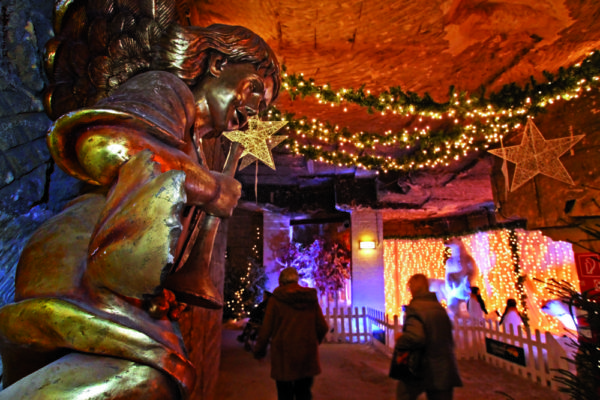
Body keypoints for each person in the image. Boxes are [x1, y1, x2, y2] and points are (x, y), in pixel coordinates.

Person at [0, 11, 281, 399]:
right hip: (78, 263)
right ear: (219, 64)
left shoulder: (199, 144)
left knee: (158, 381)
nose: (254, 110)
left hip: (112, 286)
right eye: (254, 89)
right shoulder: (167, 90)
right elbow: (103, 146)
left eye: (263, 106)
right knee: (141, 379)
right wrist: (213, 189)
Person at [253, 267, 329, 400]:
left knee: (285, 395)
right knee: (304, 393)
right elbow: (322, 326)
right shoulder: (309, 299)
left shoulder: (275, 300)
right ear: (297, 281)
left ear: (281, 283)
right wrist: (314, 341)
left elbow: (266, 329)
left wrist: (260, 351)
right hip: (306, 356)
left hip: (284, 358)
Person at [394, 273, 462, 400]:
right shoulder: (439, 308)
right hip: (445, 368)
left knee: (404, 393)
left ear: (413, 289)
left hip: (423, 366)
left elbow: (416, 337)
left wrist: (401, 339)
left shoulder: (416, 308)